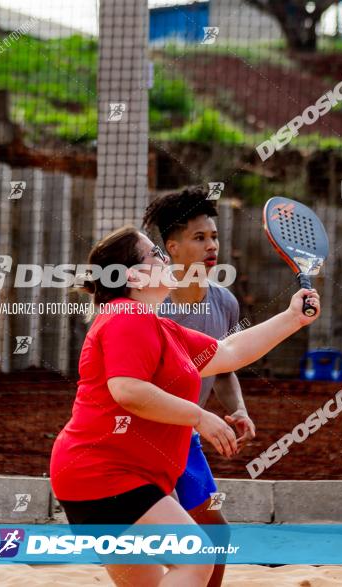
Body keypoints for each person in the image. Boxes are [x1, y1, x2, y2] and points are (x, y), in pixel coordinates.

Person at [49, 225, 319, 586]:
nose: (166, 259)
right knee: (197, 559)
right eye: (155, 254)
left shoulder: (162, 328)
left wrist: (292, 318)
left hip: (107, 477)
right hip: (104, 475)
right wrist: (199, 417)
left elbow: (230, 352)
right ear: (134, 275)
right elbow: (127, 390)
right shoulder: (126, 315)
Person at [143, 186, 251, 587]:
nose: (212, 245)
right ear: (172, 247)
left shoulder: (224, 303)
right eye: (199, 237)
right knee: (178, 549)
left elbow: (224, 366)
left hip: (185, 441)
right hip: (140, 440)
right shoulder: (152, 304)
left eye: (214, 236)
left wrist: (237, 408)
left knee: (217, 537)